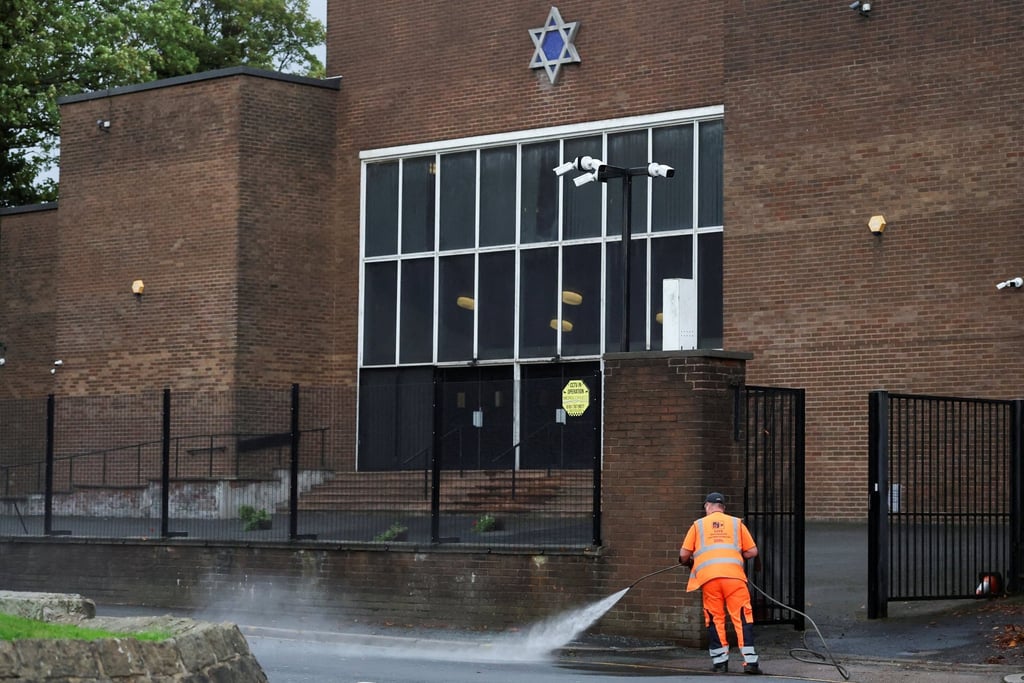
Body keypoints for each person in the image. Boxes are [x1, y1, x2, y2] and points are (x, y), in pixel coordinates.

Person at [678, 492, 761, 675]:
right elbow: (753, 551)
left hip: (710, 579)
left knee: (715, 618)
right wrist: (736, 556)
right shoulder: (736, 523)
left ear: (707, 506)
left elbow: (684, 555)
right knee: (742, 617)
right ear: (723, 507)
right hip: (734, 578)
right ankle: (751, 662)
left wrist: (690, 561)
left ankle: (720, 662)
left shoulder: (698, 525)